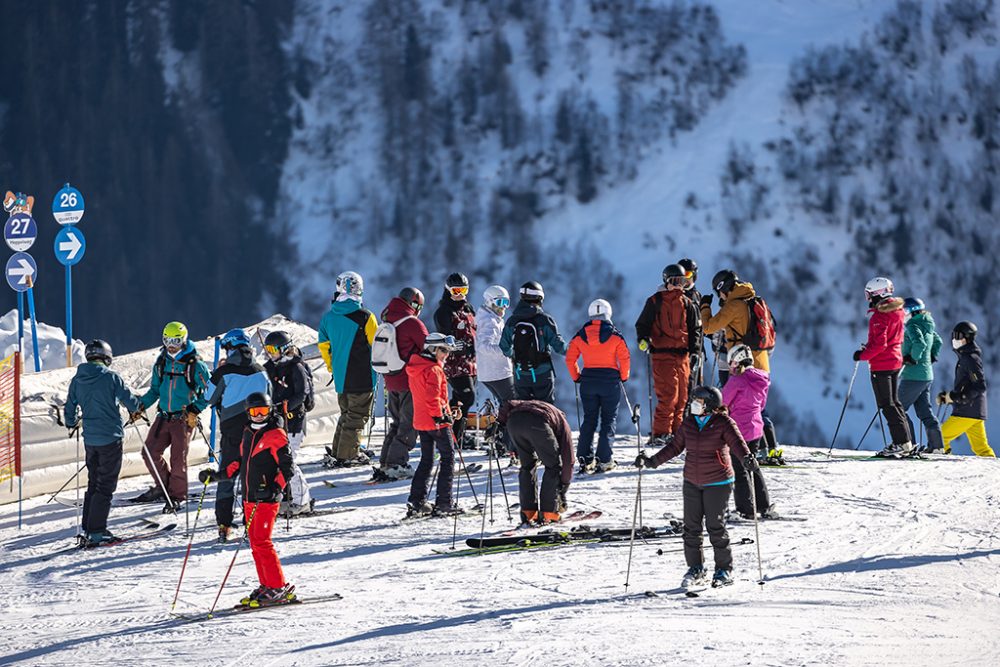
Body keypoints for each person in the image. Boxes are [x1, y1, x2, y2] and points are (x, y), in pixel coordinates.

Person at [635, 386, 753, 589]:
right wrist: (651, 461)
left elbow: (737, 444)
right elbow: (674, 447)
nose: (693, 404)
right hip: (692, 481)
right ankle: (696, 568)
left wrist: (747, 459)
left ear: (709, 405)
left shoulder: (723, 422)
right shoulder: (689, 423)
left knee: (715, 527)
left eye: (698, 401)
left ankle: (724, 570)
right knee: (691, 528)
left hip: (718, 482)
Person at [202, 392, 295, 607]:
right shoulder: (248, 432)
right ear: (248, 412)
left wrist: (274, 489)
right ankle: (267, 584)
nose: (259, 416)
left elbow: (287, 468)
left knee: (263, 541)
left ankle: (277, 587)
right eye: (254, 412)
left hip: (266, 499)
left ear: (270, 410)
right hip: (249, 498)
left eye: (263, 411)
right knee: (255, 543)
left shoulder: (276, 434)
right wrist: (217, 475)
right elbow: (240, 463)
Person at [64, 340, 144, 546]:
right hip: (111, 438)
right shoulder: (111, 377)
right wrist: (137, 407)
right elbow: (128, 400)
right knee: (106, 485)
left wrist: (71, 422)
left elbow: (70, 407)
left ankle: (89, 526)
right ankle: (97, 531)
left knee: (94, 481)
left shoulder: (77, 379)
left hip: (90, 439)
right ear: (107, 357)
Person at [702, 269, 782, 462]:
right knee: (758, 406)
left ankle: (759, 451)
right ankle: (772, 450)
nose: (718, 296)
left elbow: (708, 327)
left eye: (718, 291)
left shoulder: (734, 306)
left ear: (724, 288)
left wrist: (705, 307)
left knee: (745, 407)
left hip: (743, 363)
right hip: (762, 361)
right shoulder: (754, 300)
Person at [133, 321, 210, 512]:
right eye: (167, 340)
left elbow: (209, 391)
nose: (171, 344)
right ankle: (163, 488)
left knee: (178, 459)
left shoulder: (195, 364)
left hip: (183, 418)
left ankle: (176, 496)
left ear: (183, 339)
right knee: (149, 452)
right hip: (163, 417)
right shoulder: (161, 362)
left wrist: (195, 409)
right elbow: (154, 390)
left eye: (175, 340)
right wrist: (140, 407)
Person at [205, 328, 272, 540]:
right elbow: (270, 398)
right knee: (251, 476)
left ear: (230, 347)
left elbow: (208, 396)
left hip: (232, 432)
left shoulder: (224, 372)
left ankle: (224, 525)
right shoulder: (261, 370)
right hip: (257, 431)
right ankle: (251, 523)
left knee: (227, 475)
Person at [635, 264, 702, 442]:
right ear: (666, 281)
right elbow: (642, 325)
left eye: (681, 281)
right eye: (674, 281)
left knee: (683, 398)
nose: (678, 285)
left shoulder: (688, 304)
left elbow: (695, 330)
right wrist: (643, 340)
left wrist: (695, 352)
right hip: (662, 355)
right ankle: (661, 433)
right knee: (668, 395)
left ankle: (678, 434)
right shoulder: (655, 301)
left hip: (683, 356)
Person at [318, 271, 377, 468]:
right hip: (363, 375)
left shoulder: (328, 318)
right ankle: (348, 455)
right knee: (358, 416)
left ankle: (339, 451)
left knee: (346, 415)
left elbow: (324, 347)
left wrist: (333, 367)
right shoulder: (366, 317)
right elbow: (377, 346)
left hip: (341, 378)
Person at [566, 298, 630, 473]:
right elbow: (624, 358)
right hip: (610, 383)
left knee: (589, 419)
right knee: (608, 421)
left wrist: (577, 376)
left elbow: (570, 358)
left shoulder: (580, 335)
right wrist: (623, 377)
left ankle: (585, 458)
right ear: (608, 313)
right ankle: (604, 459)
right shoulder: (616, 336)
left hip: (588, 381)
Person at [405, 333, 463, 518]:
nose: (446, 355)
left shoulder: (415, 367)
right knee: (448, 458)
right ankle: (444, 503)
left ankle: (416, 502)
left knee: (427, 460)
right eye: (443, 350)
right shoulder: (434, 370)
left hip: (421, 421)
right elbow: (433, 397)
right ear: (432, 349)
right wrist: (440, 417)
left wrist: (445, 411)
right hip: (436, 422)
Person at [374, 287, 428, 482]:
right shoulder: (413, 323)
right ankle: (396, 464)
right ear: (413, 304)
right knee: (410, 424)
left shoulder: (388, 319)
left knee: (397, 422)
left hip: (391, 379)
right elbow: (427, 348)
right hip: (409, 380)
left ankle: (386, 461)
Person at [853, 277, 912, 456]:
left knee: (887, 404)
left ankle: (900, 444)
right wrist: (869, 347)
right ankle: (906, 442)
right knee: (895, 402)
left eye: (869, 295)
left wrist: (862, 355)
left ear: (878, 294)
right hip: (895, 361)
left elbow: (880, 345)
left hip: (882, 365)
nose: (868, 299)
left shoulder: (879, 317)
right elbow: (888, 340)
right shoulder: (898, 311)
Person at [720, 345, 776, 519]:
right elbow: (762, 405)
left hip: (739, 431)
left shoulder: (737, 381)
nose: (731, 367)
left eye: (732, 363)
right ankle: (763, 505)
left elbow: (722, 402)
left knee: (740, 469)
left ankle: (745, 508)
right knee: (753, 465)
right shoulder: (762, 379)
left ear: (738, 361)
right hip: (756, 429)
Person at [263, 330, 316, 515]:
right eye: (267, 349)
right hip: (277, 422)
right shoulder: (270, 367)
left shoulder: (296, 367)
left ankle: (303, 501)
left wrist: (283, 407)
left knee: (289, 461)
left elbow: (302, 394)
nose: (270, 353)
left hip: (293, 422)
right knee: (277, 461)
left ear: (284, 349)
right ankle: (287, 497)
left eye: (272, 349)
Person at [500, 399, 575, 525]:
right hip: (537, 424)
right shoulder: (562, 423)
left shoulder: (538, 406)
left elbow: (507, 406)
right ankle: (549, 513)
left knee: (527, 465)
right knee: (553, 466)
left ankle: (528, 512)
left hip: (513, 422)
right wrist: (563, 486)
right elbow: (569, 459)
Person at [500, 281, 568, 402]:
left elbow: (504, 346)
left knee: (522, 409)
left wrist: (515, 356)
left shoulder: (512, 321)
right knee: (546, 411)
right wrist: (574, 351)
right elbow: (559, 347)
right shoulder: (545, 320)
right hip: (543, 375)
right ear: (540, 298)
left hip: (520, 375)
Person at [937, 321, 995, 457]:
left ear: (967, 338)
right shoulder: (966, 357)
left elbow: (979, 386)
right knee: (982, 449)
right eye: (953, 335)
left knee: (939, 438)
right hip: (974, 410)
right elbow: (967, 385)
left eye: (957, 335)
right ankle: (994, 472)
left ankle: (941, 464)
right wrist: (950, 397)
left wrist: (958, 397)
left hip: (967, 411)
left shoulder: (970, 358)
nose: (954, 339)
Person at [433, 273, 478, 447]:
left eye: (463, 290)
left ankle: (456, 433)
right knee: (467, 396)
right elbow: (446, 338)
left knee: (461, 399)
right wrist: (463, 346)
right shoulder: (444, 311)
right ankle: (452, 437)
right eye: (456, 290)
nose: (460, 294)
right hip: (454, 363)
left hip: (471, 362)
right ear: (448, 290)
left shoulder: (468, 308)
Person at [898, 298, 944, 453]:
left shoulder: (913, 325)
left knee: (898, 409)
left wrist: (913, 358)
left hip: (913, 375)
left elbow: (920, 343)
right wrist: (932, 356)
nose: (902, 315)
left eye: (903, 311)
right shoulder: (927, 324)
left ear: (912, 311)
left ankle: (908, 444)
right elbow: (938, 341)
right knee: (925, 412)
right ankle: (936, 446)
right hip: (926, 375)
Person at [476, 285, 515, 453]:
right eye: (500, 302)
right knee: (512, 405)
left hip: (491, 372)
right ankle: (505, 443)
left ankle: (501, 441)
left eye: (506, 302)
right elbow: (483, 346)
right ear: (490, 302)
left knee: (506, 405)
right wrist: (505, 351)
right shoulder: (489, 322)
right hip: (497, 372)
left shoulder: (490, 318)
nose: (504, 307)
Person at [678, 258, 706, 391]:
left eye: (688, 275)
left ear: (694, 275)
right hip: (680, 348)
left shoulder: (696, 295)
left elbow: (701, 325)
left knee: (693, 388)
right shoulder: (675, 296)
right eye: (682, 275)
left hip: (695, 349)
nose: (685, 279)